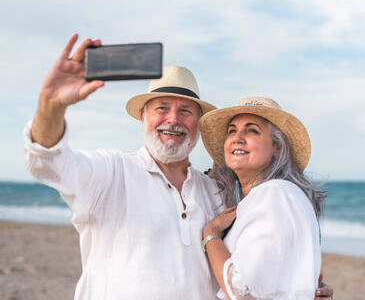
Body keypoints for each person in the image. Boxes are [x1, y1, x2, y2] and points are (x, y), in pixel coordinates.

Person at [24, 34, 333, 299]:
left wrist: (299, 285)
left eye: (185, 111)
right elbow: (50, 162)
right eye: (162, 108)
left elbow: (256, 263)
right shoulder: (112, 172)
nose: (173, 119)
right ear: (142, 117)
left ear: (198, 124)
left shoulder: (217, 192)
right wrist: (51, 107)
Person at [200, 97, 327, 300]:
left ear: (276, 146)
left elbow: (241, 288)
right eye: (232, 130)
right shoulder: (269, 197)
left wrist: (210, 234)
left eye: (252, 130)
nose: (237, 137)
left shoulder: (274, 193)